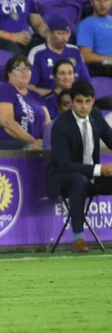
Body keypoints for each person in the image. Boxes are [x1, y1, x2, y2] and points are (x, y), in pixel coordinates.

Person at [47, 81, 112, 253]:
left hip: (92, 177)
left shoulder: (96, 116)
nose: (83, 106)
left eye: (87, 101)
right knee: (79, 180)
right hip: (63, 178)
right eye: (79, 101)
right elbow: (65, 165)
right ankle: (78, 238)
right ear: (72, 102)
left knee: (84, 179)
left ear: (93, 100)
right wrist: (100, 169)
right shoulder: (61, 125)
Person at [0, 54, 51, 150]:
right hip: (7, 144)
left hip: (37, 145)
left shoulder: (36, 96)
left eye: (27, 69)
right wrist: (33, 142)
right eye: (18, 68)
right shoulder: (3, 90)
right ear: (9, 72)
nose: (24, 72)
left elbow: (48, 126)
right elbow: (7, 122)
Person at [28, 15, 90, 96]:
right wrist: (55, 94)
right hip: (46, 100)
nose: (64, 38)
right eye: (60, 33)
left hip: (74, 100)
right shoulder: (37, 53)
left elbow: (86, 83)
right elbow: (29, 87)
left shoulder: (75, 51)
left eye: (67, 33)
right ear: (49, 33)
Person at [77, 0, 112, 77]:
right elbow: (85, 56)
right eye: (98, 0)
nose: (102, 4)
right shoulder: (85, 24)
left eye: (106, 0)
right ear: (92, 2)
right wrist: (109, 59)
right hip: (102, 67)